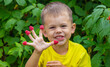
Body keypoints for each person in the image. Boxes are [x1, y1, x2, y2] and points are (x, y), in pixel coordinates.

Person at [25, 2, 91, 67]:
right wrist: (37, 52)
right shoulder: (43, 51)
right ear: (45, 32)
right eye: (52, 27)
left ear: (72, 28)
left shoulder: (79, 52)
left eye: (63, 26)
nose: (58, 31)